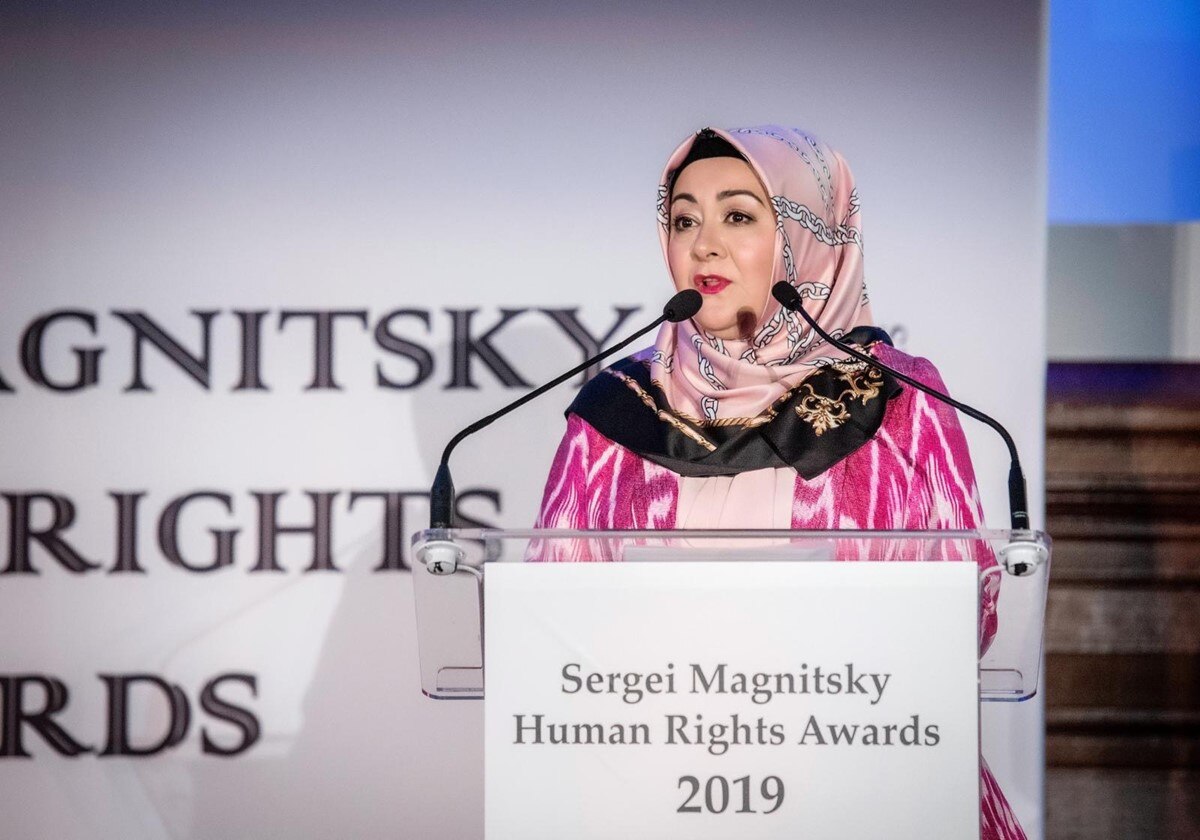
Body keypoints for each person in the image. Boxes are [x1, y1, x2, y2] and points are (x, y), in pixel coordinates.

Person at [531, 125, 1027, 840]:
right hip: (651, 796)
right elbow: (547, 627)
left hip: (871, 792)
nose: (702, 244)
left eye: (737, 215)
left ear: (812, 238)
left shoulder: (900, 399)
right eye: (683, 219)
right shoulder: (616, 410)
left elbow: (963, 621)